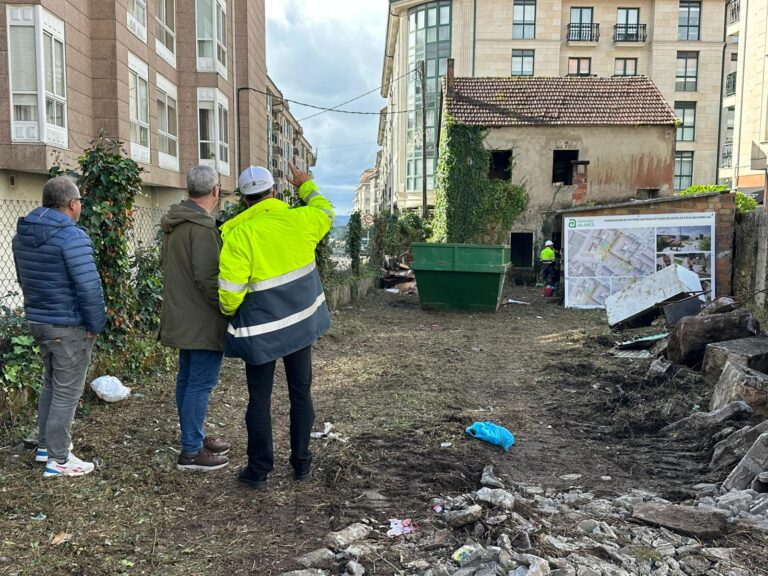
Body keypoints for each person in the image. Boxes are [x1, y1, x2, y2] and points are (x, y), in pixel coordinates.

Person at [218, 163, 334, 489]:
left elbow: (229, 295)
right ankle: (302, 464)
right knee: (301, 393)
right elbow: (324, 210)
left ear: (243, 201)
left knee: (259, 399)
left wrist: (235, 313)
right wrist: (306, 185)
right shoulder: (299, 221)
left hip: (261, 332)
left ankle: (258, 470)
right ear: (274, 192)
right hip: (300, 325)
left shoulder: (238, 235)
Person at [12, 176, 106, 478]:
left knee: (52, 384)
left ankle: (45, 447)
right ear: (72, 203)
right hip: (68, 326)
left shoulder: (23, 234)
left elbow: (25, 279)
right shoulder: (72, 236)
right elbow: (89, 288)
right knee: (67, 392)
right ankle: (59, 459)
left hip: (39, 320)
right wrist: (95, 324)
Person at [160, 165, 230, 472]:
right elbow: (209, 278)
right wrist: (229, 308)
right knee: (200, 383)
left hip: (181, 313)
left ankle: (194, 438)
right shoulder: (202, 228)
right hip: (202, 319)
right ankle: (191, 451)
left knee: (187, 381)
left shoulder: (176, 222)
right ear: (215, 191)